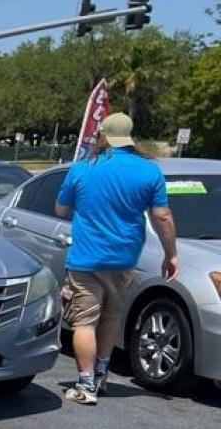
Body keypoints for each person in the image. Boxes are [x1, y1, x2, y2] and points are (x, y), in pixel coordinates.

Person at [55, 112, 179, 405]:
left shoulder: (83, 169)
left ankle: (85, 385)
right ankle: (101, 375)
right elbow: (162, 216)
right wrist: (170, 254)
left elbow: (61, 210)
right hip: (124, 259)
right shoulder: (149, 172)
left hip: (87, 259)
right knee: (110, 318)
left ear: (103, 136)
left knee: (85, 322)